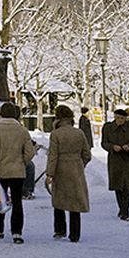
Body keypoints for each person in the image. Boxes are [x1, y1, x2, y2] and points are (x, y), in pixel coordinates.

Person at [0, 101, 35, 243]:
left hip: (2, 170)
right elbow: (30, 152)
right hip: (18, 171)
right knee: (17, 202)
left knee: (0, 199)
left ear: (1, 113)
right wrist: (22, 162)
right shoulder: (22, 130)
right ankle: (17, 232)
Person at [45, 104, 91, 243]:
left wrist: (50, 174)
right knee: (75, 201)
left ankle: (60, 230)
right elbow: (87, 154)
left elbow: (53, 156)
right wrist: (79, 164)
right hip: (76, 168)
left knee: (59, 199)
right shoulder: (79, 133)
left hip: (60, 168)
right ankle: (75, 234)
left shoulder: (56, 134)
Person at [100, 106, 129, 221]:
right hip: (115, 160)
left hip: (128, 159)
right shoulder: (108, 128)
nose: (119, 120)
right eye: (117, 118)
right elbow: (104, 143)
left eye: (121, 118)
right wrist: (112, 147)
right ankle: (122, 209)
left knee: (127, 187)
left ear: (125, 119)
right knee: (117, 186)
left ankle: (125, 212)